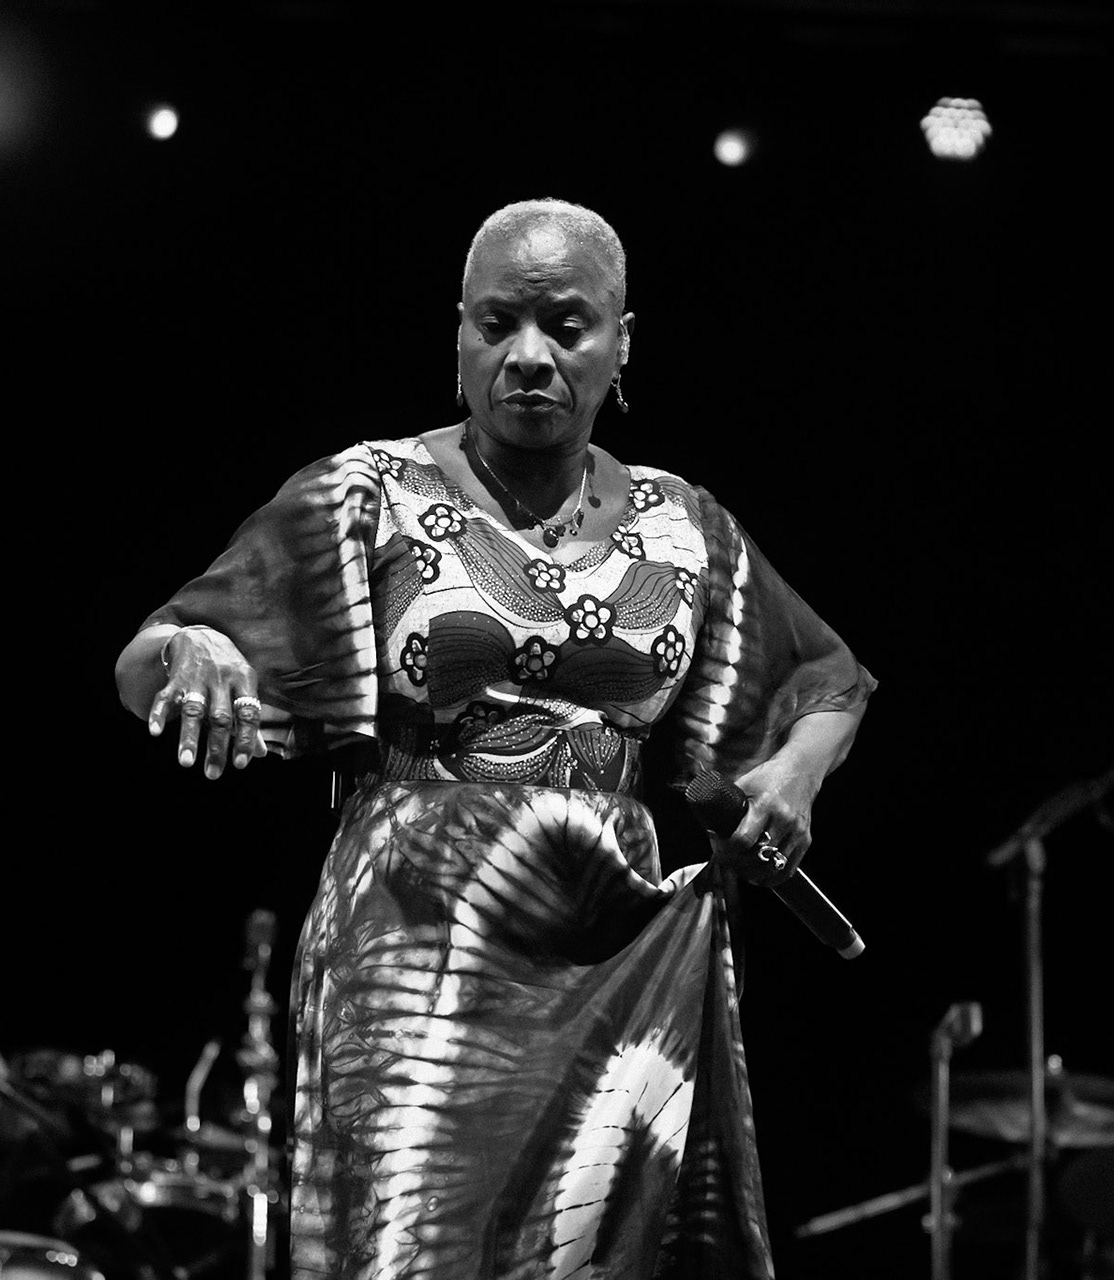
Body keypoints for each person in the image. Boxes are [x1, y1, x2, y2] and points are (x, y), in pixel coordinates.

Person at [114, 198, 876, 1279]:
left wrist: (794, 777)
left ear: (621, 346)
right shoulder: (366, 489)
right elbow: (149, 654)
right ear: (459, 337)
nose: (528, 355)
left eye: (566, 326)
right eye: (496, 323)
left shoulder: (683, 522)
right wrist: (195, 651)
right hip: (417, 931)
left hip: (613, 941)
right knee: (408, 1245)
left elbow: (827, 681)